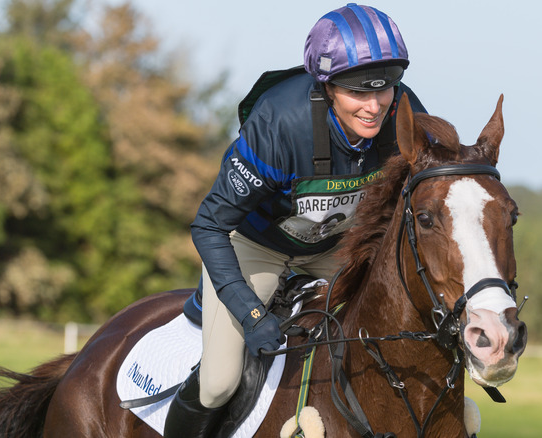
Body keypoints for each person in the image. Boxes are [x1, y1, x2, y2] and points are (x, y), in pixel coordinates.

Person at [163, 4, 427, 436]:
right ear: (326, 86)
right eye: (358, 91)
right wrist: (250, 314)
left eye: (386, 88)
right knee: (217, 384)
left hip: (336, 247)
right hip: (255, 246)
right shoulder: (279, 122)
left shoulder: (404, 112)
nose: (376, 105)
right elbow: (209, 224)